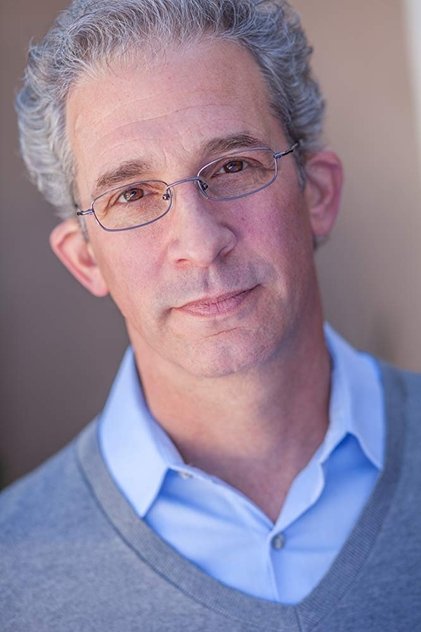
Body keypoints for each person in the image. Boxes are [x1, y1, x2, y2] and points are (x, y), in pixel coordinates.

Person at [1, 0, 420, 629]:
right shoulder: (11, 578)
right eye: (132, 194)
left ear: (317, 195)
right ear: (85, 260)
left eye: (232, 167)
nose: (199, 242)